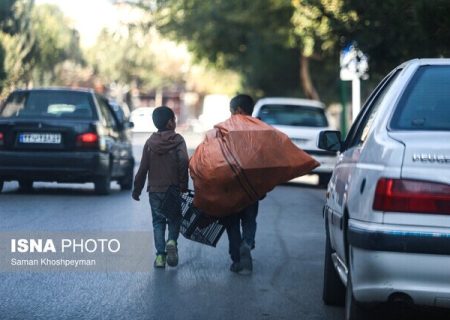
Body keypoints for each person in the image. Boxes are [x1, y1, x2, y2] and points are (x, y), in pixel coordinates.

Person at [132, 106, 189, 269]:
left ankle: (160, 257)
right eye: (174, 120)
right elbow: (184, 162)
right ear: (171, 122)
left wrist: (137, 190)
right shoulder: (178, 140)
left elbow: (143, 168)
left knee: (158, 222)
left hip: (155, 190)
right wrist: (183, 185)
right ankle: (171, 241)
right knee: (174, 218)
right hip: (173, 189)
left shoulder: (150, 143)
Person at [219, 94, 260, 275]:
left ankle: (237, 259)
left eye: (231, 111)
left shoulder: (227, 129)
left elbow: (217, 158)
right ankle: (247, 244)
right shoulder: (261, 129)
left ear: (239, 111)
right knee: (250, 220)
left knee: (232, 223)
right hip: (252, 187)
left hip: (232, 187)